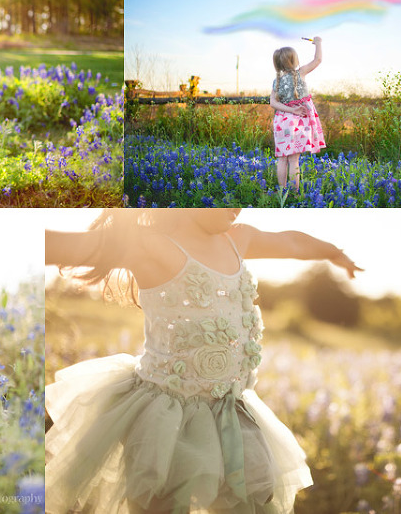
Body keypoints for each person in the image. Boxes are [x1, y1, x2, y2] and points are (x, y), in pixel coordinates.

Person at [45, 208, 362, 514]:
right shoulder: (148, 244)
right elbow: (62, 245)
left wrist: (333, 252)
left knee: (255, 499)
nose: (237, 205)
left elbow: (292, 243)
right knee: (158, 502)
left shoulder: (238, 240)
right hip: (164, 418)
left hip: (233, 413)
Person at [269, 38, 326, 193]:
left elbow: (273, 103)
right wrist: (318, 43)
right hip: (297, 122)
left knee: (282, 159)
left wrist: (288, 109)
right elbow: (318, 59)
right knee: (294, 160)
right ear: (294, 60)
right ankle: (294, 194)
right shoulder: (300, 73)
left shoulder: (277, 81)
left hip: (281, 122)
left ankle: (282, 192)